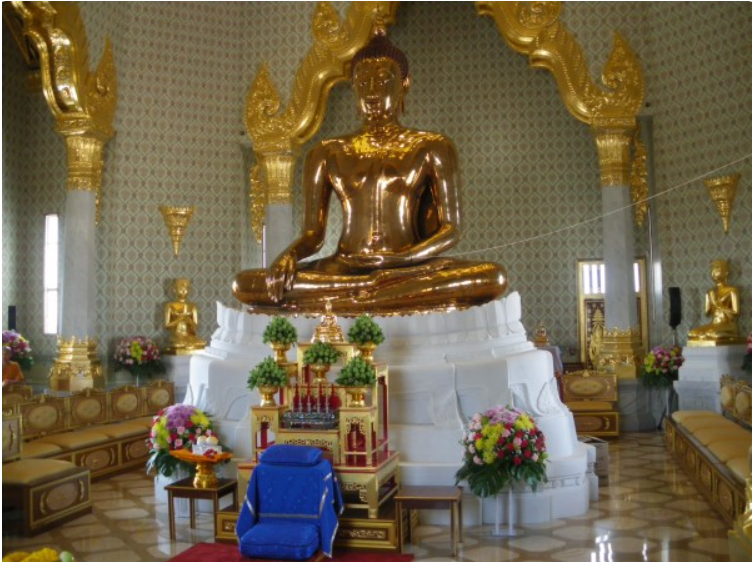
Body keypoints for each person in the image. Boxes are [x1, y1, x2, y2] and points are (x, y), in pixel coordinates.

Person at [234, 28, 506, 316]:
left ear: (404, 83)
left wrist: (406, 257)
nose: (372, 92)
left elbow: (452, 229)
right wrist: (287, 257)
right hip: (346, 267)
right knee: (246, 284)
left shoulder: (432, 146)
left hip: (410, 267)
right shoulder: (326, 152)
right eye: (362, 82)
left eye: (381, 80)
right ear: (353, 87)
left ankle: (362, 295)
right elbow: (313, 235)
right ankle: (375, 292)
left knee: (491, 277)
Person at [687, 259, 744, 344]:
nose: (714, 271)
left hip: (728, 325)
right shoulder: (710, 291)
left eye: (718, 268)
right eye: (713, 268)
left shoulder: (732, 290)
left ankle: (722, 334)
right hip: (714, 324)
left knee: (713, 334)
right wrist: (708, 299)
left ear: (726, 273)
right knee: (692, 333)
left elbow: (736, 313)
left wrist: (717, 303)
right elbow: (707, 313)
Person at [163, 278, 206, 354]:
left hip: (189, 335)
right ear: (174, 290)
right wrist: (180, 319)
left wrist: (187, 319)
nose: (183, 290)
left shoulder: (192, 306)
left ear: (189, 290)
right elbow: (167, 326)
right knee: (179, 344)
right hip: (177, 334)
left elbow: (195, 325)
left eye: (186, 288)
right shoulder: (170, 306)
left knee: (201, 343)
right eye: (180, 288)